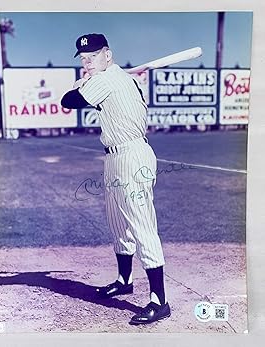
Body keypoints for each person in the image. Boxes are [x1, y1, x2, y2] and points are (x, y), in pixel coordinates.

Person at [61, 33, 171, 325]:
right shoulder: (119, 78)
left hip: (132, 155)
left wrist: (81, 85)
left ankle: (159, 301)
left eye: (93, 57)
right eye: (83, 59)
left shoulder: (107, 79)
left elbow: (68, 101)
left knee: (141, 224)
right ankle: (124, 280)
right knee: (118, 222)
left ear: (107, 55)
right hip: (114, 155)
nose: (87, 63)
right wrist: (86, 82)